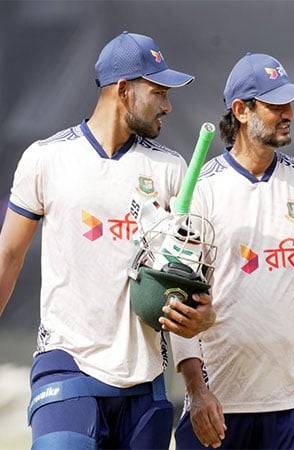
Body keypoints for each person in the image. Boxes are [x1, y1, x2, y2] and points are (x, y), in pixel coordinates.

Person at [0, 31, 215, 449]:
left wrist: (202, 331)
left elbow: (185, 286)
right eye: (158, 92)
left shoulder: (170, 169)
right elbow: (8, 255)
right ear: (122, 90)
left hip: (145, 380)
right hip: (66, 365)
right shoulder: (46, 158)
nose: (168, 105)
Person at [170, 52, 294, 450]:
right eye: (275, 105)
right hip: (218, 405)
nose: (288, 113)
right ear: (240, 110)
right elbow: (177, 296)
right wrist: (197, 392)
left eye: (290, 104)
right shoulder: (201, 185)